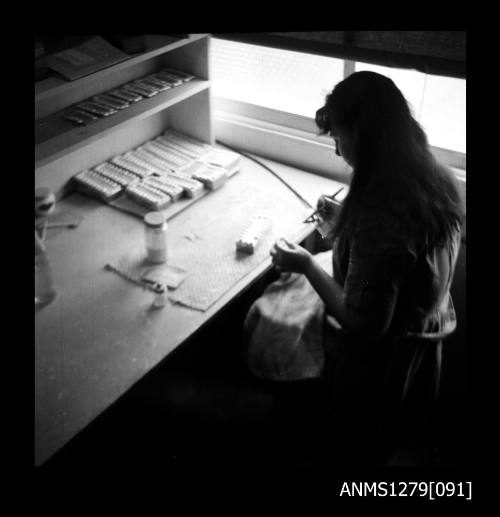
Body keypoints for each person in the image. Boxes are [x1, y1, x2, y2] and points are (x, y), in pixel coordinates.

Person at [243, 71, 465, 465]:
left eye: (338, 137)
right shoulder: (430, 176)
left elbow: (364, 324)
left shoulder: (381, 215)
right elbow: (398, 260)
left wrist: (307, 264)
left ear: (363, 134)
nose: (336, 151)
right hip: (423, 354)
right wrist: (347, 218)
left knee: (353, 454)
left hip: (382, 371)